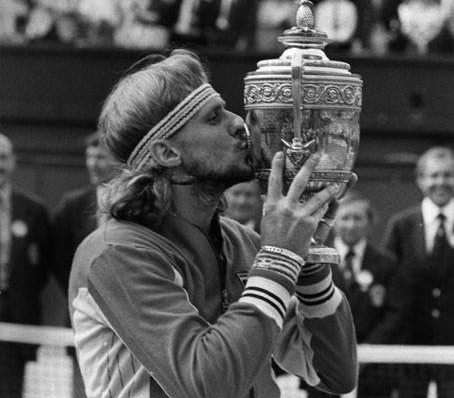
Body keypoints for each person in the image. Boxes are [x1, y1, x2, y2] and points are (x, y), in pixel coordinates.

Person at [68, 49, 357, 398]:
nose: (239, 123)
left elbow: (334, 376)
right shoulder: (115, 254)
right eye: (213, 118)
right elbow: (206, 385)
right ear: (167, 153)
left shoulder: (244, 242)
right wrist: (279, 258)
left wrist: (307, 261)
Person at [304, 192, 398, 398]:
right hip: (324, 363)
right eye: (345, 218)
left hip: (373, 368)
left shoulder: (386, 263)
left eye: (358, 218)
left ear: (369, 223)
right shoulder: (315, 260)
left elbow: (395, 314)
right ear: (334, 222)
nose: (351, 224)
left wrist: (368, 350)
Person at [383, 146, 454, 398]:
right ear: (421, 180)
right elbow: (389, 282)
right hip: (411, 342)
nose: (441, 182)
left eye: (448, 175)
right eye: (434, 175)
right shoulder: (402, 225)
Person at [0, 133, 51, 398]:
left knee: (9, 389)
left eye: (3, 157)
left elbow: (41, 268)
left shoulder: (34, 209)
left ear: (13, 162)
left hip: (17, 316)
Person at [51, 132, 117, 293]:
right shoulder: (73, 204)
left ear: (118, 160)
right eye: (89, 157)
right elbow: (57, 257)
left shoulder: (136, 202)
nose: (92, 164)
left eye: (100, 157)